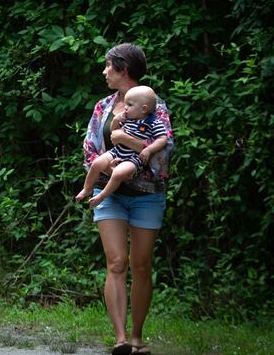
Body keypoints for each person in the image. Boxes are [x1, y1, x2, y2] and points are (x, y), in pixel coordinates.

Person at [82, 43, 173, 355]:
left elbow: (164, 155)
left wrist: (128, 142)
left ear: (124, 69)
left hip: (147, 196)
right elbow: (90, 148)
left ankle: (137, 337)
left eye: (109, 66)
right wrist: (105, 166)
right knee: (117, 261)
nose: (105, 72)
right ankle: (121, 341)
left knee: (141, 264)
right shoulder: (103, 106)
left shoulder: (154, 105)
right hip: (109, 193)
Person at [76, 85, 168, 207]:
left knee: (118, 173)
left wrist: (149, 150)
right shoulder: (127, 119)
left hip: (134, 158)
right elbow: (114, 133)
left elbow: (163, 139)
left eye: (129, 105)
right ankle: (87, 188)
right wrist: (115, 121)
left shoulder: (153, 123)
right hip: (117, 150)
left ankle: (102, 196)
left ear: (143, 109)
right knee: (97, 163)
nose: (125, 108)